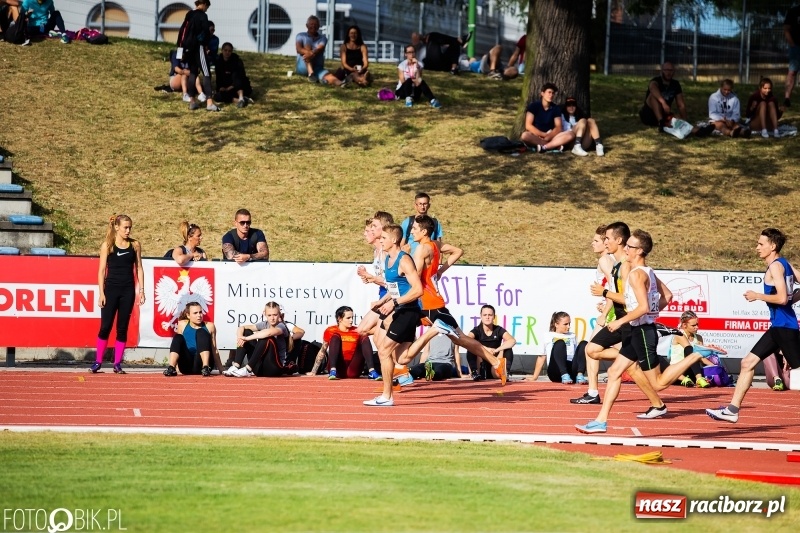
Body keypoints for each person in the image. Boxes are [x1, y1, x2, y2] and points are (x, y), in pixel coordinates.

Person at [577, 230, 706, 434]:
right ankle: (601, 421)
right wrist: (650, 316)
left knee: (658, 383)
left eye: (630, 246)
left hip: (643, 333)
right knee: (614, 372)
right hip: (640, 329)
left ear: (640, 251)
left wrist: (621, 321)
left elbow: (643, 307)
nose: (625, 249)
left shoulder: (636, 274)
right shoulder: (648, 271)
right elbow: (664, 298)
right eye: (626, 245)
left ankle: (697, 354)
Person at [394, 216, 508, 385]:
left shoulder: (421, 250)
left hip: (426, 303)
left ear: (424, 231)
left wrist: (402, 266)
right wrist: (440, 271)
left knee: (459, 338)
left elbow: (415, 277)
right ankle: (400, 372)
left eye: (415, 229)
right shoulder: (436, 245)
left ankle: (496, 362)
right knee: (395, 331)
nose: (411, 232)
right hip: (426, 302)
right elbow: (458, 251)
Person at [707, 228, 800, 423]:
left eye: (761, 244)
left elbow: (782, 298)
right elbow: (787, 298)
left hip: (784, 327)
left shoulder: (776, 266)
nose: (757, 247)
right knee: (747, 363)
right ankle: (732, 410)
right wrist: (792, 298)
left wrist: (758, 296)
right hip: (779, 327)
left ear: (772, 246)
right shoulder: (785, 264)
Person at [363, 224, 424, 407]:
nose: (380, 241)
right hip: (399, 309)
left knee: (383, 350)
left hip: (408, 310)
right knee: (401, 357)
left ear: (394, 240)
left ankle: (386, 396)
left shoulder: (404, 260)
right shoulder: (387, 260)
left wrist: (395, 303)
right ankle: (433, 331)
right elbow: (395, 288)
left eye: (383, 238)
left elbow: (418, 289)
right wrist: (382, 302)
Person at [90, 214, 145, 374]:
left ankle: (117, 363)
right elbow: (101, 271)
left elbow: (139, 268)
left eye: (130, 227)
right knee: (105, 327)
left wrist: (141, 290)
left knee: (122, 328)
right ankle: (98, 361)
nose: (128, 230)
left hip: (127, 291)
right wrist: (101, 293)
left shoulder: (135, 245)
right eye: (125, 227)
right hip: (111, 290)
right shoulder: (108, 245)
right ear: (117, 227)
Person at [226, 301, 300, 377]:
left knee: (267, 337)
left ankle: (247, 369)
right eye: (269, 315)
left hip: (275, 369)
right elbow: (241, 327)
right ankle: (236, 366)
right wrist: (240, 337)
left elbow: (269, 333)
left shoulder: (282, 326)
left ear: (279, 315)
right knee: (247, 331)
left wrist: (247, 338)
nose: (272, 318)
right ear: (265, 314)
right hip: (259, 368)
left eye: (275, 315)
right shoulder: (264, 324)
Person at [639, 62, 714, 136]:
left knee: (677, 117)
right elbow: (652, 88)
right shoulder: (655, 81)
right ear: (662, 71)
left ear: (674, 72)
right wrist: (663, 103)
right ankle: (661, 123)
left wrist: (684, 120)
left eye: (671, 70)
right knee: (652, 96)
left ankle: (698, 131)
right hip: (648, 115)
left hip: (664, 114)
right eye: (666, 70)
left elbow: (681, 105)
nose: (668, 72)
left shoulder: (675, 84)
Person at [177, 0, 220, 111]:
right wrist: (204, 44)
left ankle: (192, 101)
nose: (207, 9)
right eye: (207, 7)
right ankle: (209, 102)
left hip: (188, 49)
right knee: (206, 73)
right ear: (204, 4)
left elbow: (182, 32)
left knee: (193, 73)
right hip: (199, 48)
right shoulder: (203, 16)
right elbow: (205, 32)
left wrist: (180, 50)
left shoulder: (189, 14)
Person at [316, 306, 379, 380]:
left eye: (352, 317)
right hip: (338, 368)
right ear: (339, 319)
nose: (351, 320)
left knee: (364, 337)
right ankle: (333, 371)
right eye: (348, 318)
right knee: (335, 336)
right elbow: (323, 351)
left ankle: (372, 371)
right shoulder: (330, 330)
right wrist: (314, 371)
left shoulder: (357, 330)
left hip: (353, 369)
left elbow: (375, 330)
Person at [163, 302, 223, 376]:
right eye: (195, 313)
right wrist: (178, 367)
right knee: (177, 337)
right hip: (187, 365)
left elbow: (214, 349)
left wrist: (221, 369)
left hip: (201, 364)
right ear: (188, 315)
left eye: (200, 312)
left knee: (201, 331)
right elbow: (178, 346)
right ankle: (171, 368)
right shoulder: (182, 324)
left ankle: (205, 367)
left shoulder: (210, 326)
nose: (199, 315)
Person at [666, 310, 723, 388]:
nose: (697, 327)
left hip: (692, 372)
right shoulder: (679, 335)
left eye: (697, 324)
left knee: (696, 356)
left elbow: (701, 358)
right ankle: (694, 379)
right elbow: (693, 353)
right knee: (691, 352)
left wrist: (714, 365)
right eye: (693, 325)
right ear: (684, 325)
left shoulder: (699, 338)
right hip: (677, 372)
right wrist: (712, 366)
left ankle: (697, 379)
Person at [520, 83, 576, 153]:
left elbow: (558, 127)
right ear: (542, 93)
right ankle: (552, 146)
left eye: (553, 93)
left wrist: (549, 136)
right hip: (537, 135)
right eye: (549, 92)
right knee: (525, 135)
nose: (551, 95)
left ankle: (545, 146)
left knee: (571, 134)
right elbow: (528, 125)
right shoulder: (534, 106)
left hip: (552, 136)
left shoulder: (555, 108)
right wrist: (543, 135)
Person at [466, 304, 516, 381]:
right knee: (471, 347)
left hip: (495, 365)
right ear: (481, 316)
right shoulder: (477, 330)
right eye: (485, 315)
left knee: (507, 348)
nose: (487, 317)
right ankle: (474, 372)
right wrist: (486, 349)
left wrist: (497, 350)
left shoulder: (498, 329)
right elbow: (467, 339)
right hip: (481, 364)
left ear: (494, 317)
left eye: (490, 315)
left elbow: (512, 341)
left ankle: (505, 373)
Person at [295, 15, 338, 85]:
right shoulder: (300, 35)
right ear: (307, 25)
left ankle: (341, 83)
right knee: (307, 46)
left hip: (318, 68)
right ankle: (310, 73)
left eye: (316, 24)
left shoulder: (323, 38)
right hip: (302, 67)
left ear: (318, 26)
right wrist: (309, 53)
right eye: (311, 24)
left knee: (328, 76)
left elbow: (320, 48)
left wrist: (312, 53)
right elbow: (298, 49)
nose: (314, 26)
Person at [400, 192, 442, 256]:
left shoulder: (435, 223)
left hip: (429, 261)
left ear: (429, 205)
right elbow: (401, 244)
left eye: (425, 204)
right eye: (420, 204)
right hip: (411, 260)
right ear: (415, 205)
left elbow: (439, 246)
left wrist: (439, 264)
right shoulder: (407, 222)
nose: (422, 207)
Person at [213, 42, 253, 108]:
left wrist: (230, 87)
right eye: (225, 50)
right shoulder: (218, 61)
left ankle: (241, 97)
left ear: (231, 52)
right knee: (217, 96)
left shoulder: (237, 61)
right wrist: (221, 87)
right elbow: (218, 77)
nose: (227, 53)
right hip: (226, 88)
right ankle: (239, 101)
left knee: (237, 76)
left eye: (229, 51)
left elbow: (241, 76)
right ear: (222, 50)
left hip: (239, 86)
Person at [784, 4, 800, 108]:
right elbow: (786, 29)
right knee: (792, 72)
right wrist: (793, 45)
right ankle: (787, 98)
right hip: (796, 47)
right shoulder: (794, 11)